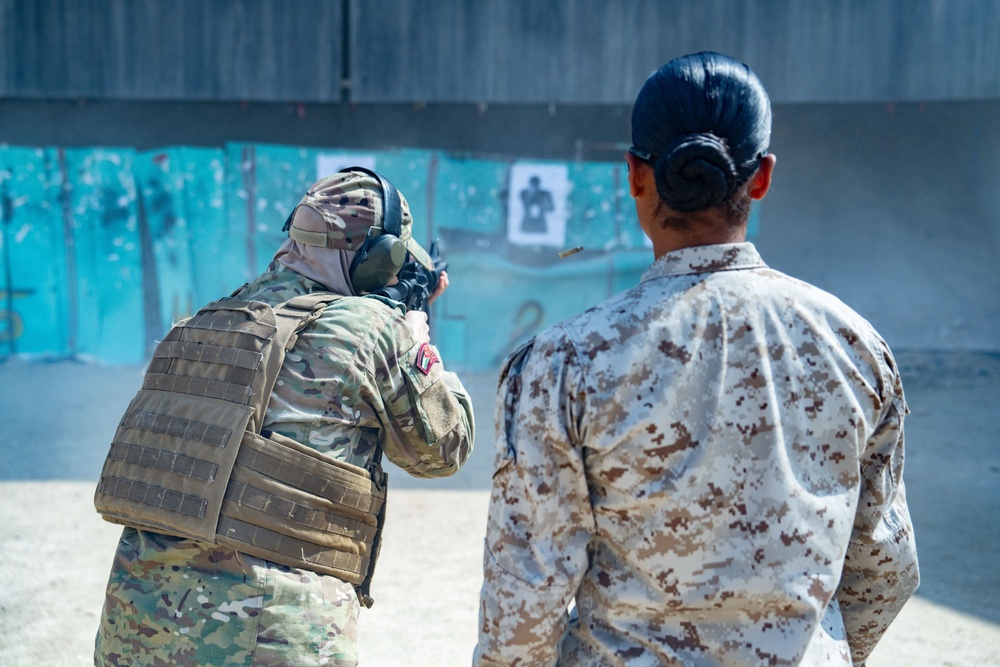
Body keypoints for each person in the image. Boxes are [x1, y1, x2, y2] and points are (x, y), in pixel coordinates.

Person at [474, 52, 918, 666]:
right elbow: (885, 570)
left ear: (634, 175)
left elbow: (522, 607)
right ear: (760, 178)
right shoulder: (856, 349)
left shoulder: (562, 364)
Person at [93, 167, 474, 666]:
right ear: (378, 257)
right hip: (270, 635)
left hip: (135, 627)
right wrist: (418, 338)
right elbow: (443, 450)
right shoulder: (374, 329)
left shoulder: (206, 319)